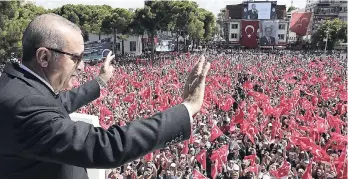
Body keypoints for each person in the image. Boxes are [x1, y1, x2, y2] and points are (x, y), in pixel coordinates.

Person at [0, 14, 210, 179]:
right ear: (44, 57)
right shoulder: (24, 105)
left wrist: (99, 83)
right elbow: (105, 146)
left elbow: (56, 104)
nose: (82, 67)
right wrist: (187, 109)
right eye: (76, 58)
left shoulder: (18, 84)